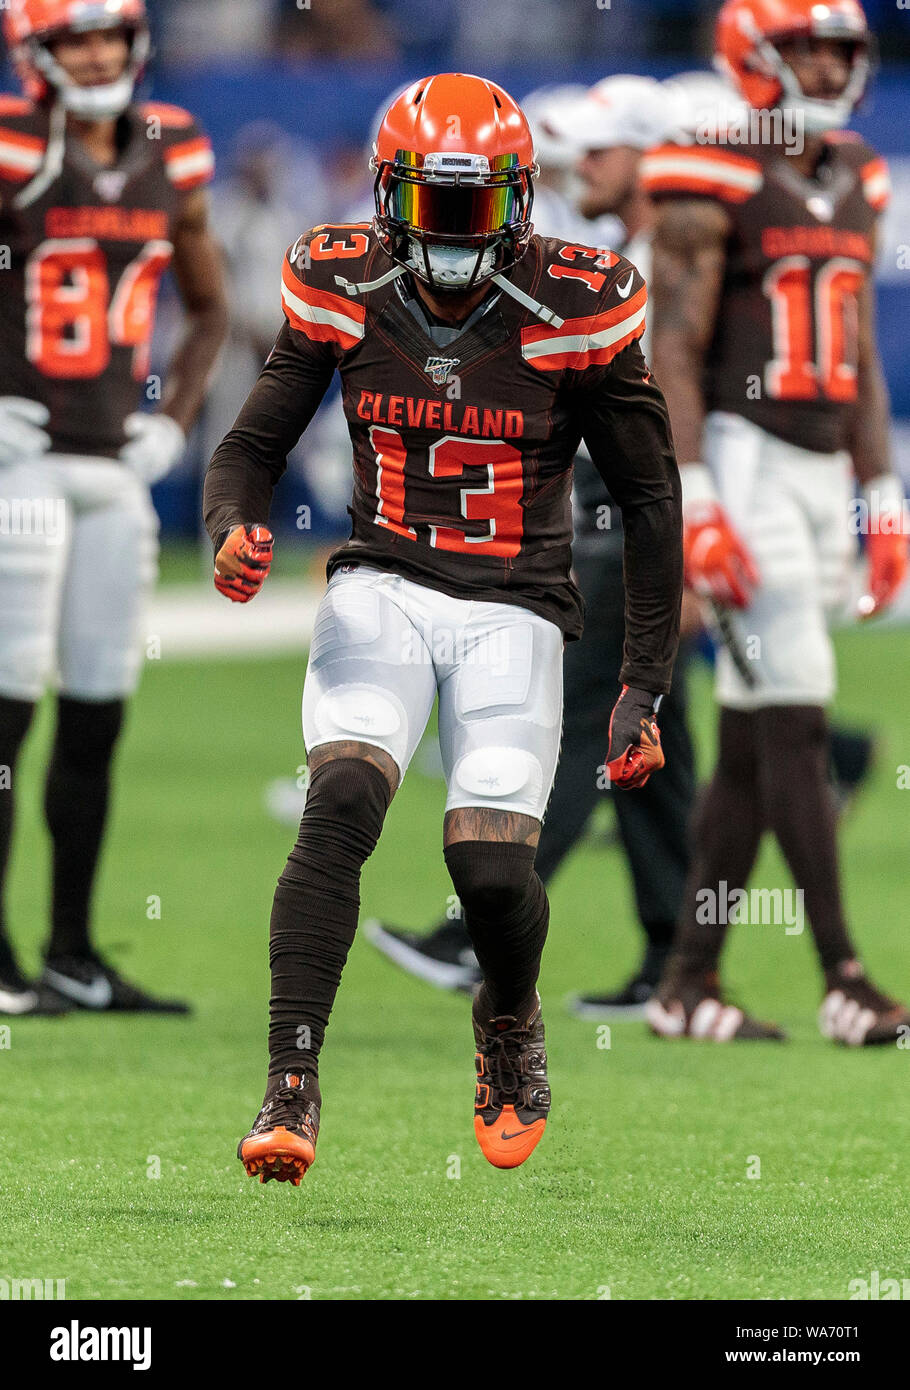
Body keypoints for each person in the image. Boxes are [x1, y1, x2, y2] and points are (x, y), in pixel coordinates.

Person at [204, 73, 683, 1181]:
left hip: (516, 600)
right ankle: (290, 1081)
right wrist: (232, 521)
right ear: (387, 195)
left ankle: (508, 1015)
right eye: (433, 201)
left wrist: (642, 682)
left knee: (489, 867)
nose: (454, 230)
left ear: (520, 199)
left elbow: (650, 499)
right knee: (342, 800)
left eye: (476, 205)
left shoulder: (578, 303)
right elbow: (252, 442)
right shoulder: (344, 281)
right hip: (383, 579)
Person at [365, 76, 698, 1018]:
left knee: (594, 716)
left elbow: (670, 416)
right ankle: (677, 957)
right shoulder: (609, 256)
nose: (582, 168)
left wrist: (698, 518)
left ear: (647, 157)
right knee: (652, 739)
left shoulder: (661, 257)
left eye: (601, 151)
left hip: (626, 514)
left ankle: (481, 929)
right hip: (604, 509)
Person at [642, 0, 910, 1044]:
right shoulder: (710, 169)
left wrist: (881, 496)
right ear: (753, 55)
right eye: (808, 46)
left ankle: (685, 983)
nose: (830, 66)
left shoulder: (855, 175)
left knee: (755, 739)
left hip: (811, 470)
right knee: (796, 708)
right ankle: (843, 972)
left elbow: (858, 355)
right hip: (742, 465)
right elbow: (672, 349)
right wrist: (697, 502)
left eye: (841, 47)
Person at [0, 0, 227, 1016]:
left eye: (107, 36)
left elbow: (213, 307)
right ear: (35, 55)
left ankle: (73, 951)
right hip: (21, 464)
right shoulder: (11, 147)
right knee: (6, 716)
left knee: (96, 715)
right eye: (73, 40)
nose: (95, 55)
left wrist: (174, 420)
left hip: (114, 470)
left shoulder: (172, 148)